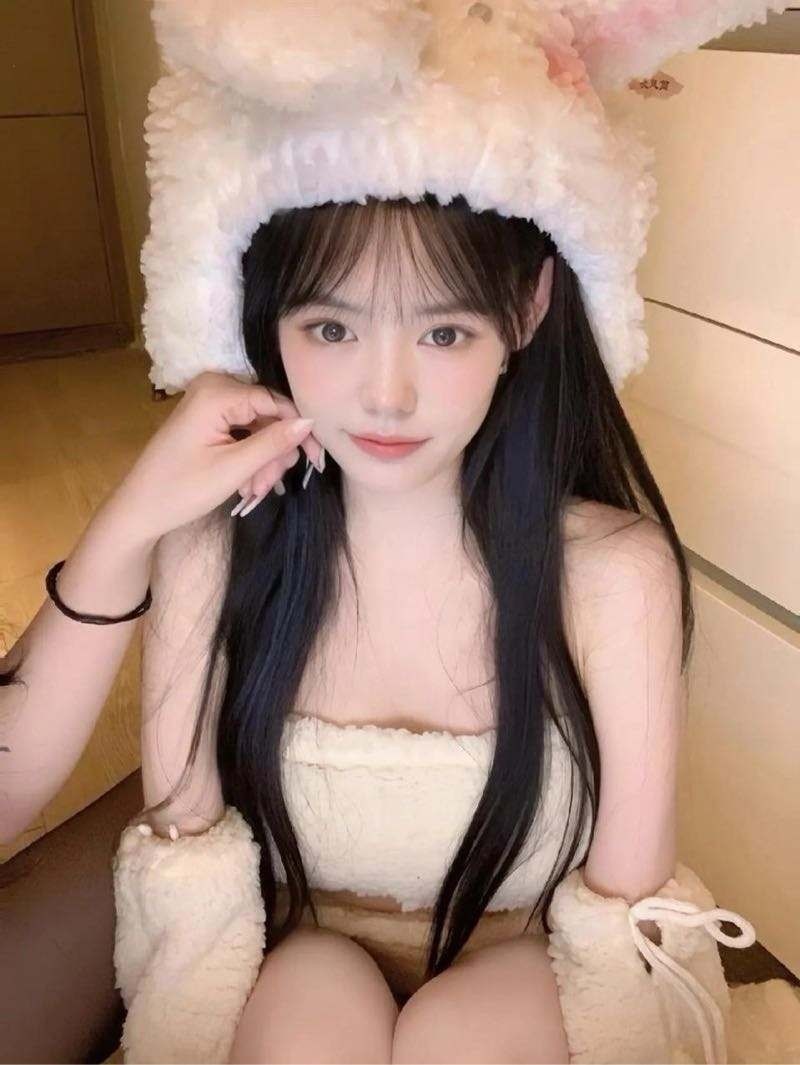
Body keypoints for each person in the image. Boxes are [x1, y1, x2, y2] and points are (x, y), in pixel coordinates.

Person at [5, 1, 800, 1063]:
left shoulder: (611, 573)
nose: (385, 394)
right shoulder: (213, 545)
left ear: (527, 310)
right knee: (308, 1009)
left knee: (459, 1037)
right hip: (302, 971)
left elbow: (622, 920)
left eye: (444, 331)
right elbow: (191, 880)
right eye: (330, 326)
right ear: (264, 318)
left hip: (531, 985)